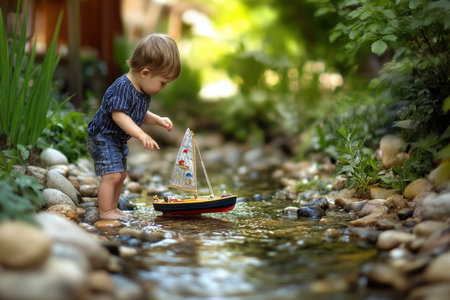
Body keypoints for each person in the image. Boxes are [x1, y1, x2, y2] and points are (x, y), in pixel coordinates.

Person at [87, 33, 181, 220]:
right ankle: (105, 211)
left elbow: (139, 114)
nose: (163, 88)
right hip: (102, 137)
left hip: (116, 139)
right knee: (112, 176)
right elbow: (119, 115)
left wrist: (157, 120)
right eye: (162, 83)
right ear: (145, 73)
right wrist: (140, 134)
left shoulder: (143, 91)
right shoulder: (123, 86)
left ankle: (113, 208)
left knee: (121, 175)